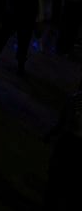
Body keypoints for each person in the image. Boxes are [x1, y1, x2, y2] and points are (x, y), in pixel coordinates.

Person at [44, 77, 82, 211]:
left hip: (68, 141)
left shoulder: (74, 99)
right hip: (71, 142)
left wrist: (51, 134)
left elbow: (62, 122)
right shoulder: (74, 99)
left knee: (57, 175)